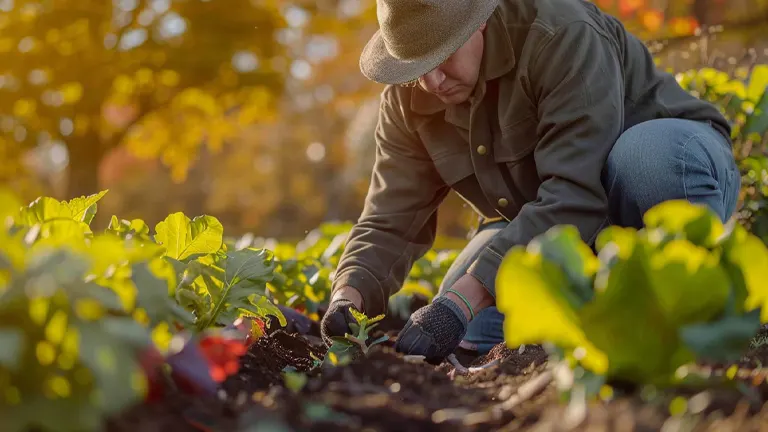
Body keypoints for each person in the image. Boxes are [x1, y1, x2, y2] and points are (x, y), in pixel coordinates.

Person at [320, 0, 740, 364]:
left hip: (657, 173)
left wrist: (460, 302)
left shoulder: (559, 33)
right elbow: (390, 219)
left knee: (646, 158)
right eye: (417, 67)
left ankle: (704, 313)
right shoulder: (407, 99)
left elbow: (576, 192)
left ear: (477, 22)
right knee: (473, 328)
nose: (432, 81)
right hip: (553, 222)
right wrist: (348, 297)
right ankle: (600, 313)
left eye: (442, 56)